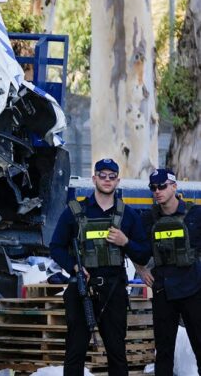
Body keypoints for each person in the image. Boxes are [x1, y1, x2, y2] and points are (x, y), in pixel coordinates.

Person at [50, 158, 150, 376]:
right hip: (81, 289)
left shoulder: (129, 215)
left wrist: (125, 242)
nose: (107, 180)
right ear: (94, 178)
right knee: (75, 352)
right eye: (102, 176)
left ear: (118, 180)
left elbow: (143, 252)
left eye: (111, 177)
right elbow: (55, 247)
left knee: (116, 352)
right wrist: (75, 267)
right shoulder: (75, 212)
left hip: (113, 291)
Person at [136, 169, 201, 376]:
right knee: (164, 353)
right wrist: (141, 270)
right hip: (163, 292)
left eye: (162, 186)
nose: (157, 191)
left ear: (174, 186)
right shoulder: (148, 219)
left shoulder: (195, 214)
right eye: (153, 188)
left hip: (193, 290)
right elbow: (134, 247)